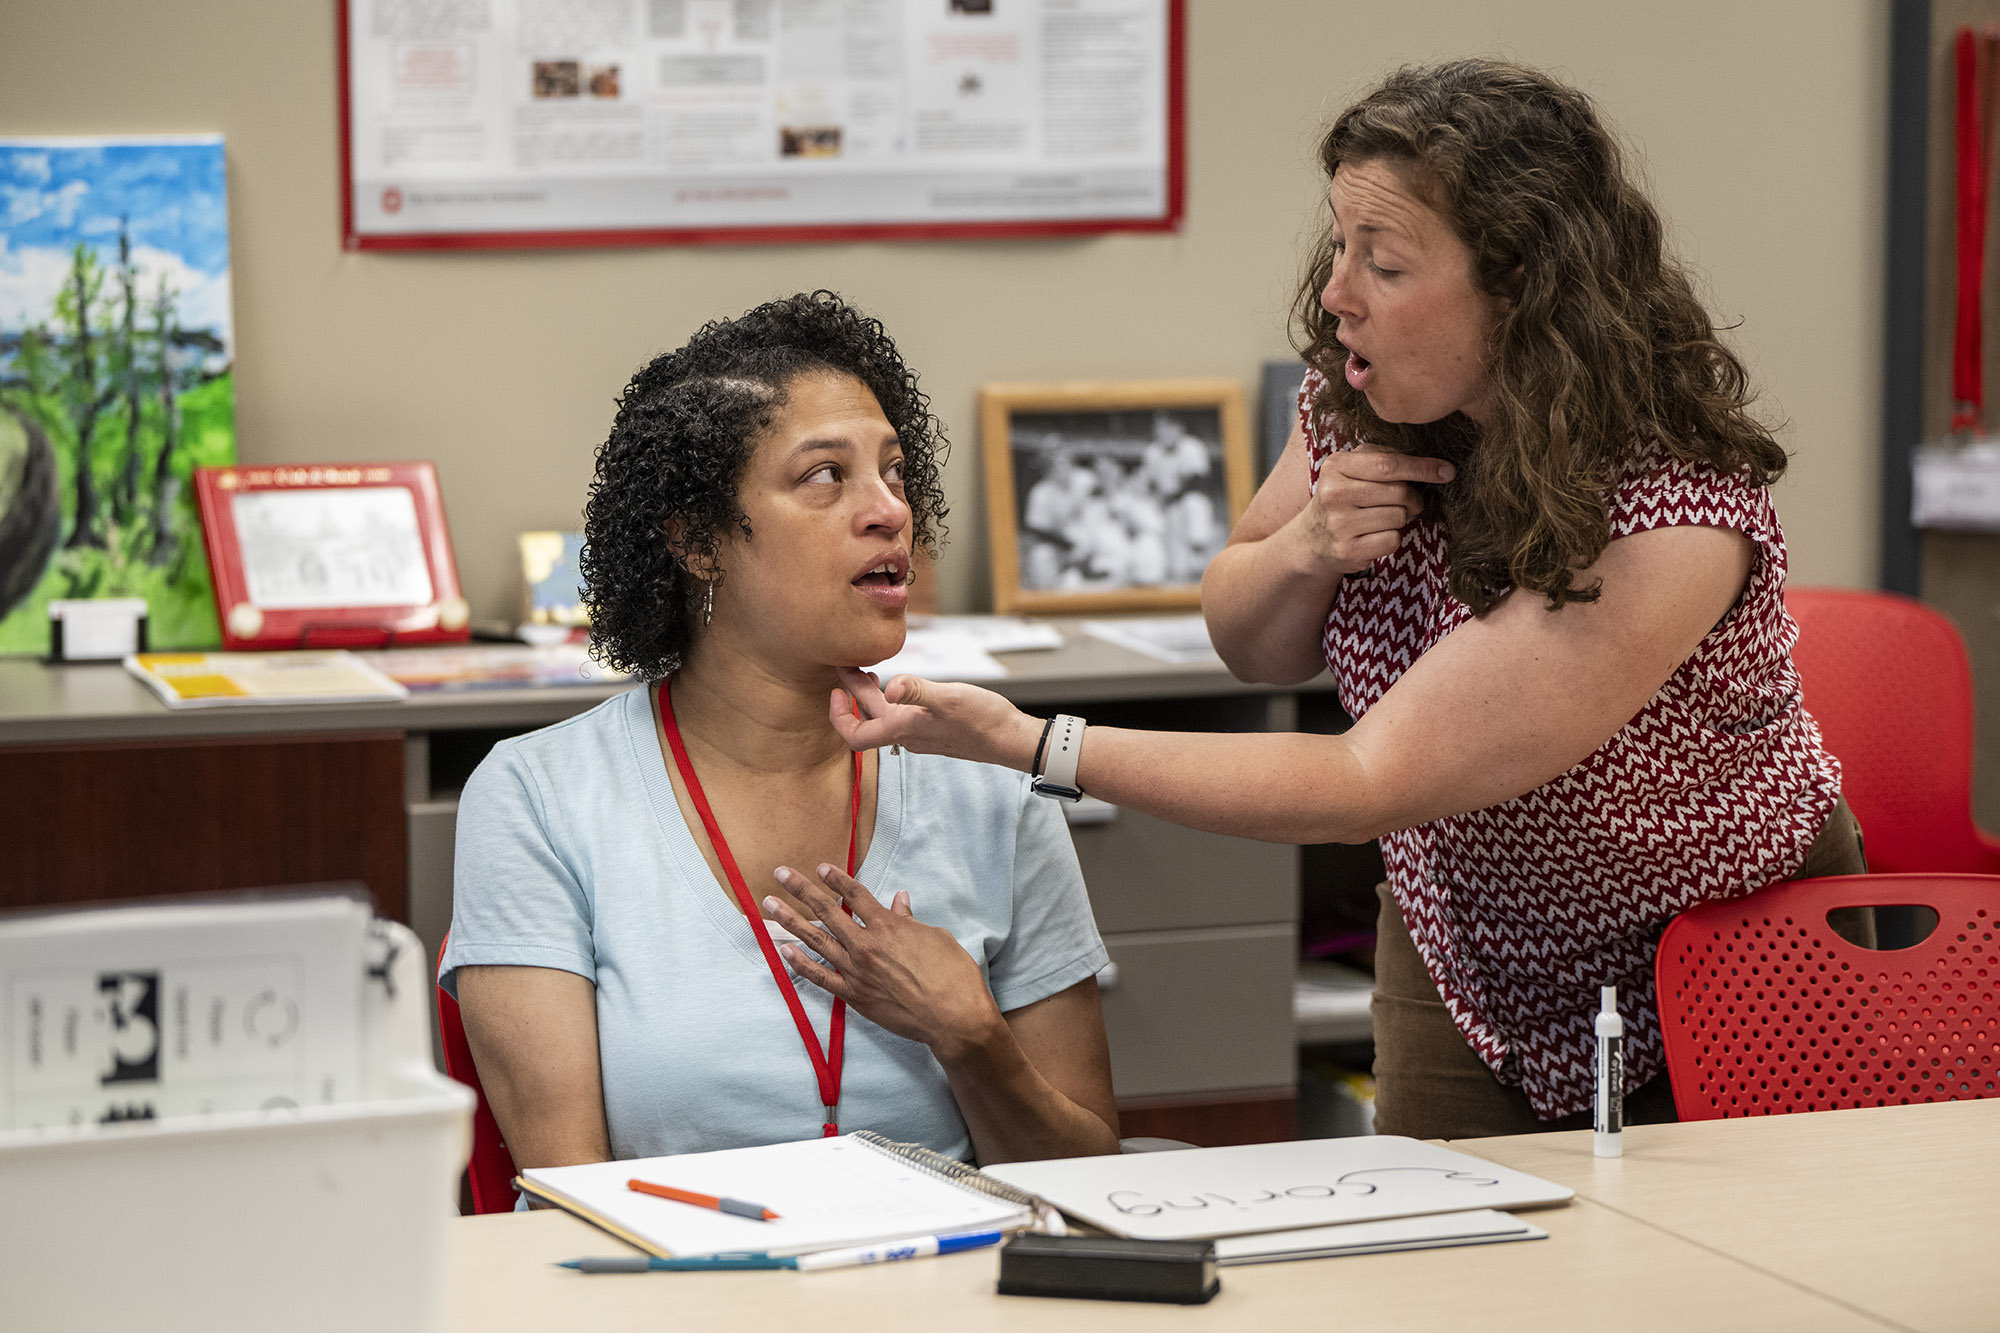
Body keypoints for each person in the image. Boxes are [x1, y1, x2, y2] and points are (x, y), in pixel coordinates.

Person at [828, 60, 1865, 1141]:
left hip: (1718, 952)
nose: (1335, 294)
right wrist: (1307, 548)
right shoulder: (1353, 399)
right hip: (1464, 937)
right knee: (1445, 1272)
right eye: (1338, 247)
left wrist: (1030, 740)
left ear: (1517, 284)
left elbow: (1364, 776)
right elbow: (1245, 639)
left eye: (1382, 263)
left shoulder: (1669, 506)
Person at [440, 291, 1120, 1174]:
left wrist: (969, 1033)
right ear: (697, 542)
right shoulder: (539, 800)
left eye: (896, 472)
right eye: (826, 476)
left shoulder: (993, 789)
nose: (890, 511)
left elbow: (1090, 1179)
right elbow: (571, 1192)